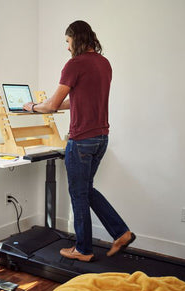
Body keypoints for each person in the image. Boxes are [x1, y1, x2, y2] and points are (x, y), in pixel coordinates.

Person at [24, 20, 135, 262]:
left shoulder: (74, 64)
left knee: (78, 193)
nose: (66, 47)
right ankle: (121, 232)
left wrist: (33, 106)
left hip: (82, 140)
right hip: (101, 138)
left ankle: (83, 249)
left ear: (76, 38)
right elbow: (73, 101)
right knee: (86, 190)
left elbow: (53, 104)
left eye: (67, 41)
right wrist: (45, 107)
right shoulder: (104, 64)